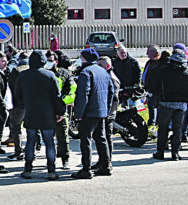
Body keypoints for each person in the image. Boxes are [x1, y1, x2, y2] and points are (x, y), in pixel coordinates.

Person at [14, 50, 65, 180]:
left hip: (30, 112)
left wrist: (25, 105)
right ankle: (51, 170)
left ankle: (28, 169)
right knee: (49, 142)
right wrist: (60, 112)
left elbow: (17, 95)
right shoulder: (50, 75)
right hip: (47, 113)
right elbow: (56, 96)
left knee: (30, 141)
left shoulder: (23, 75)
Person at [71, 49, 116, 179]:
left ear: (84, 59)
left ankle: (86, 169)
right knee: (101, 139)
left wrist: (78, 113)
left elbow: (83, 95)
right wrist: (106, 109)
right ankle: (106, 166)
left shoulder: (86, 72)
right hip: (101, 111)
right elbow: (111, 92)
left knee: (86, 140)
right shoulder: (103, 71)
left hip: (89, 112)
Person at [153, 48, 188, 161]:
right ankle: (175, 153)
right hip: (182, 104)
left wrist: (157, 97)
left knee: (163, 128)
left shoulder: (162, 70)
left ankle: (160, 152)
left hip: (165, 103)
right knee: (177, 129)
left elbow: (154, 85)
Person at [4, 52, 28, 161]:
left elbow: (10, 87)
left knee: (16, 127)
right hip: (33, 105)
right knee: (33, 129)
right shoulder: (35, 70)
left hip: (18, 105)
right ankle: (32, 152)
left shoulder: (16, 71)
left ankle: (18, 152)